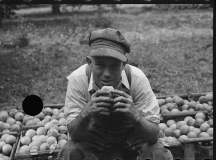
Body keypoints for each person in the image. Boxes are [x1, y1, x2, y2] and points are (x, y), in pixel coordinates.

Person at [57, 28, 173, 160]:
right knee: (70, 151)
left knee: (157, 153)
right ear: (89, 63)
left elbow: (153, 136)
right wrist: (86, 113)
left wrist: (135, 115)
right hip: (94, 135)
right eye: (100, 65)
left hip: (131, 135)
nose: (107, 74)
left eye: (114, 66)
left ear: (123, 65)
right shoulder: (78, 79)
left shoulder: (136, 78)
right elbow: (74, 135)